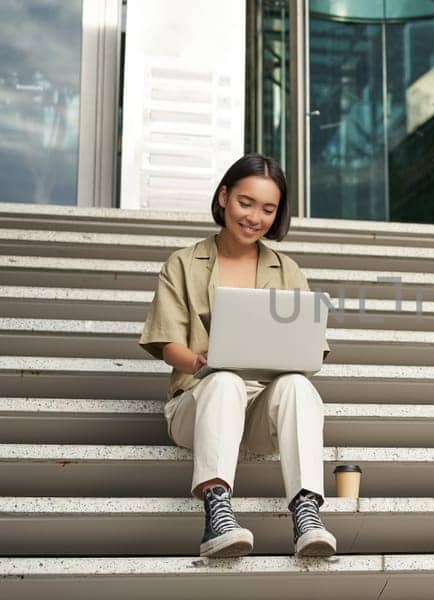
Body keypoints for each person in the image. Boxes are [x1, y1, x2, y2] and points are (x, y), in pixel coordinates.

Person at [138, 154, 336, 558]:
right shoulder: (183, 263)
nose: (255, 217)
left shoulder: (288, 270)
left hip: (260, 410)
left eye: (268, 209)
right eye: (246, 203)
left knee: (299, 385)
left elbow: (312, 347)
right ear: (224, 197)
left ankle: (306, 512)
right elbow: (166, 343)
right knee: (224, 379)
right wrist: (200, 361)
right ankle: (217, 513)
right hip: (197, 403)